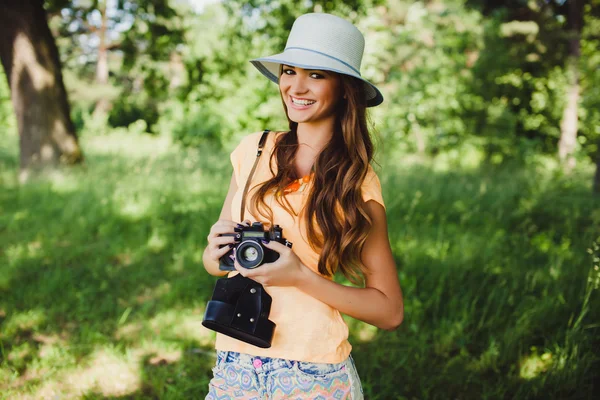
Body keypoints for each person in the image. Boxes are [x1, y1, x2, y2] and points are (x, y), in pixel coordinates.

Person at [202, 12, 403, 400]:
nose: (296, 85)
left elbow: (389, 310)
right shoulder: (254, 151)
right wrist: (213, 250)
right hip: (236, 362)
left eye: (316, 74)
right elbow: (217, 263)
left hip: (313, 373)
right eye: (290, 71)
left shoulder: (356, 182)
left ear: (346, 89)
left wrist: (300, 277)